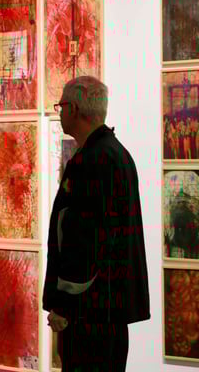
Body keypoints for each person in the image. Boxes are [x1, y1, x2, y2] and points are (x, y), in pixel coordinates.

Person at [43, 76, 150, 372]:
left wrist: (63, 304)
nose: (60, 113)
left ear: (75, 109)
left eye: (62, 106)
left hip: (88, 315)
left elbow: (85, 239)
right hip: (108, 313)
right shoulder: (117, 155)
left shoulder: (93, 161)